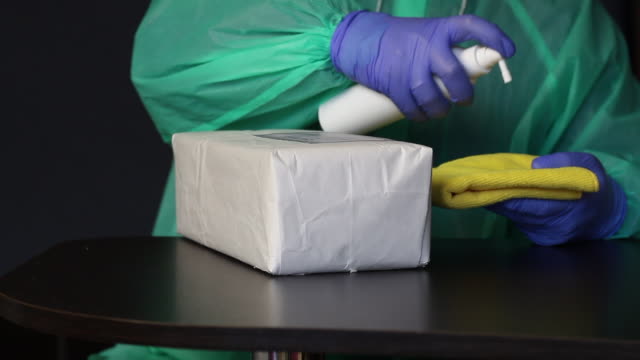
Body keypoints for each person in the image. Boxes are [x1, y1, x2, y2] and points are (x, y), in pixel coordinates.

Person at [91, 0, 640, 359]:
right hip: (207, 338)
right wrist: (336, 42)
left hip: (453, 336)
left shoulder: (562, 26)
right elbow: (168, 63)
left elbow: (623, 149)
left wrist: (610, 196)